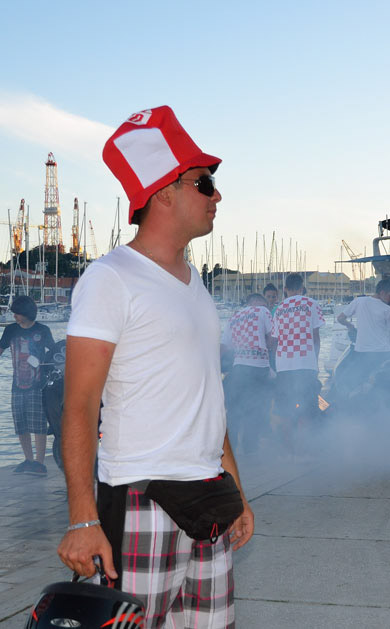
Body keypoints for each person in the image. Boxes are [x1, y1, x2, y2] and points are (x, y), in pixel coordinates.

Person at [57, 106, 253, 626]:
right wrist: (82, 518)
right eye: (205, 183)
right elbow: (79, 405)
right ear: (164, 192)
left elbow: (207, 397)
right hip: (143, 496)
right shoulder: (110, 278)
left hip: (209, 497)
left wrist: (236, 491)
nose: (217, 196)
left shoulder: (195, 284)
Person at [2, 295, 56, 476]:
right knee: (21, 424)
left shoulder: (43, 330)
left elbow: (54, 355)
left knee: (38, 424)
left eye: (17, 313)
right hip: (17, 385)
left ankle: (40, 463)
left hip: (38, 385)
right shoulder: (10, 330)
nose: (14, 316)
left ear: (26, 312)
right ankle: (28, 460)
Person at [272, 272, 325, 441]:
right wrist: (315, 363)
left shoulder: (279, 309)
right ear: (302, 288)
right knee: (308, 409)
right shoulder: (311, 303)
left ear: (285, 289)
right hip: (306, 363)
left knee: (285, 410)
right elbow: (316, 337)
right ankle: (306, 449)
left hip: (284, 365)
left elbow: (276, 341)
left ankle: (288, 452)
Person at [221, 293, 274, 453]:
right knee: (256, 410)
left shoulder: (234, 317)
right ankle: (250, 450)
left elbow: (224, 347)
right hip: (259, 368)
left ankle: (232, 450)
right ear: (258, 303)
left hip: (239, 369)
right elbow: (273, 337)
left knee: (235, 411)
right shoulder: (263, 311)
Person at [336, 278, 390, 394]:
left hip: (362, 353)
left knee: (353, 381)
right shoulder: (388, 310)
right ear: (382, 292)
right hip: (384, 353)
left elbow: (340, 318)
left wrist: (350, 326)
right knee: (384, 385)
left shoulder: (359, 301)